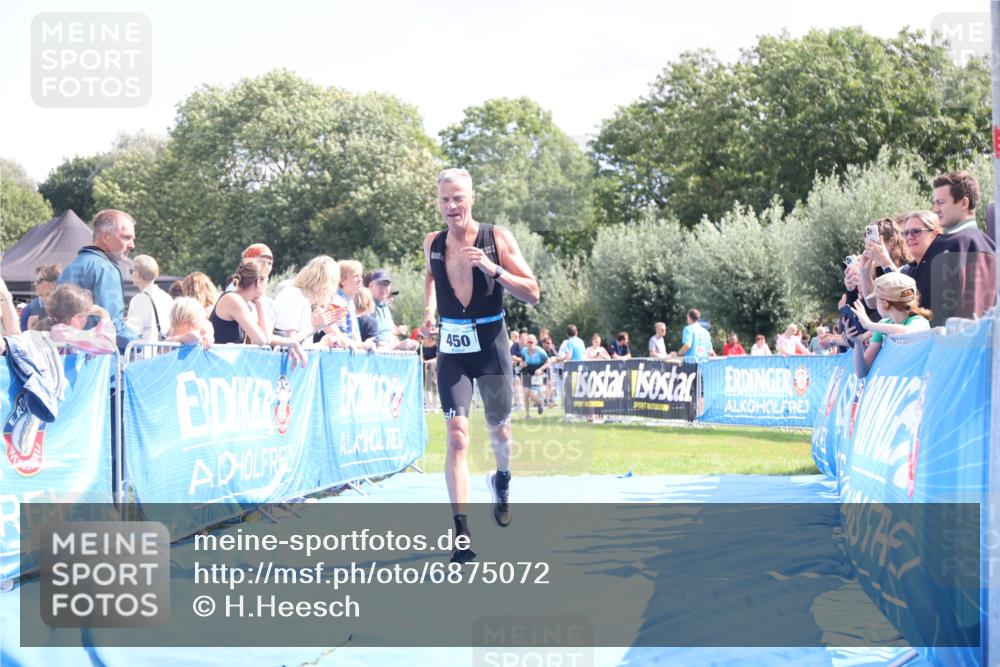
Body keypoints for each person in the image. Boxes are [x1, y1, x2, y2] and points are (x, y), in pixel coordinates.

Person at [420, 167, 540, 563]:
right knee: (456, 436)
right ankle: (462, 535)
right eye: (444, 199)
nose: (451, 206)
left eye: (458, 198)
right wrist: (429, 310)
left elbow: (533, 293)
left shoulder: (496, 238)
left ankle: (502, 479)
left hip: (491, 345)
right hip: (453, 350)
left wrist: (494, 269)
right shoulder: (432, 243)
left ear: (472, 197)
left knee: (499, 432)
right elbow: (431, 278)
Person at [56, 209, 139, 352]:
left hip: (69, 359)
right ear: (106, 237)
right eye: (126, 237)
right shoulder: (106, 268)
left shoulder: (71, 266)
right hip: (99, 363)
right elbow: (113, 325)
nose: (132, 245)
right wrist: (139, 343)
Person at [923, 171, 997, 324]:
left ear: (964, 203)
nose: (935, 209)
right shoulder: (987, 245)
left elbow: (971, 312)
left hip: (951, 344)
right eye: (935, 203)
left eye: (941, 202)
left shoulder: (960, 244)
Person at [208, 259, 306, 367]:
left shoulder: (247, 304)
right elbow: (261, 340)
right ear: (259, 281)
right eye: (266, 281)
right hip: (216, 365)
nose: (266, 287)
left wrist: (259, 304)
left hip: (225, 365)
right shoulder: (233, 299)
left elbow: (266, 337)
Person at [847, 272, 932, 378]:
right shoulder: (883, 325)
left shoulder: (919, 321)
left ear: (885, 304)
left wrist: (869, 325)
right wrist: (858, 344)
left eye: (876, 300)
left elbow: (908, 332)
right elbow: (861, 372)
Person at [273, 256, 344, 344]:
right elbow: (287, 341)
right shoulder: (294, 295)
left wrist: (344, 341)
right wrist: (315, 329)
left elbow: (334, 333)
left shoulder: (311, 301)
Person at [41, 284, 118, 354]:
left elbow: (90, 335)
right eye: (85, 315)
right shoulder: (62, 332)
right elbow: (108, 345)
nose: (86, 320)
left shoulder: (57, 329)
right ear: (76, 318)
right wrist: (104, 314)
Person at [365, 269, 419, 351]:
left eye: (387, 284)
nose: (384, 287)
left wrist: (408, 344)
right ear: (370, 286)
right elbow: (375, 345)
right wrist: (398, 345)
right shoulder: (366, 306)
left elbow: (389, 333)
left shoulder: (384, 306)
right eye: (380, 284)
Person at [126, 254, 174, 342]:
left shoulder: (138, 299)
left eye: (131, 271)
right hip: (164, 351)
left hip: (144, 352)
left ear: (137, 274)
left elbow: (132, 330)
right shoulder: (167, 298)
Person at [20, 264, 60, 331]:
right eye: (35, 281)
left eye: (39, 281)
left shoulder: (67, 308)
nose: (35, 284)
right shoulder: (28, 310)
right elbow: (22, 338)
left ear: (53, 284)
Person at [518, 334, 549, 418]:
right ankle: (527, 414)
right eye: (528, 342)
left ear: (535, 342)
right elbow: (521, 361)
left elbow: (548, 362)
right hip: (526, 373)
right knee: (525, 393)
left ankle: (539, 403)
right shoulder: (524, 351)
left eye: (531, 342)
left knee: (531, 393)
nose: (529, 344)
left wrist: (541, 369)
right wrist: (522, 364)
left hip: (537, 374)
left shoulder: (540, 352)